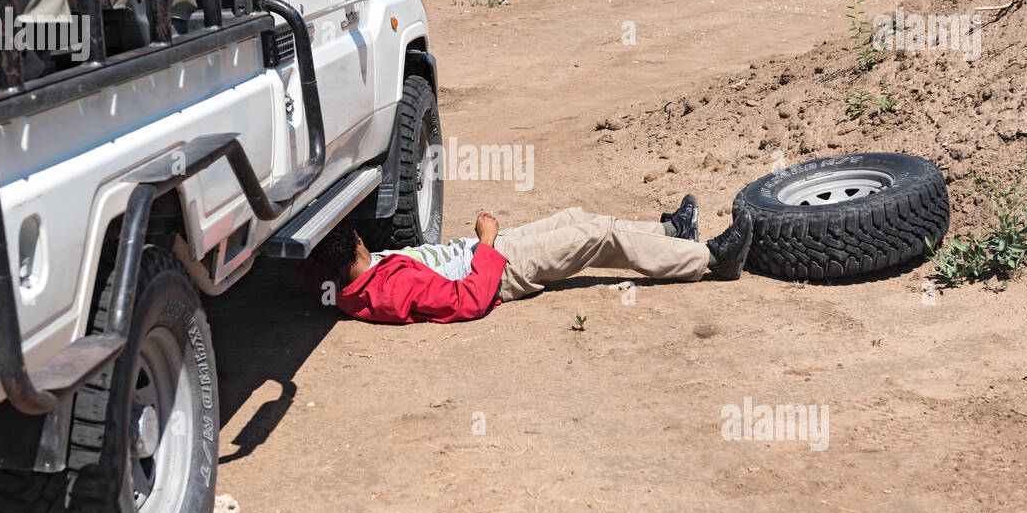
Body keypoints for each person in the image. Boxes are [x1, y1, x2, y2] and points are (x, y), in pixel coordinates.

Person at [304, 195, 754, 325]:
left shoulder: (344, 276)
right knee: (598, 236)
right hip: (499, 268)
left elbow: (309, 274)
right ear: (358, 242)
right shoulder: (388, 287)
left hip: (488, 252)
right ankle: (711, 259)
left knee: (576, 215)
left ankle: (674, 233)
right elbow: (467, 301)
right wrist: (485, 242)